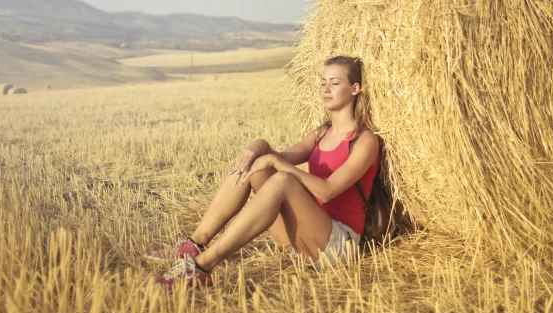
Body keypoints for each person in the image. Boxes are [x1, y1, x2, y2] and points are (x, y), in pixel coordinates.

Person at [146, 55, 381, 292]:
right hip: (305, 236)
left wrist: (276, 162)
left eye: (335, 83)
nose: (326, 89)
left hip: (339, 244)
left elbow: (327, 191)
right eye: (322, 83)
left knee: (282, 180)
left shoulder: (364, 140)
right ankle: (195, 243)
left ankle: (201, 268)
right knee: (255, 168)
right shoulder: (321, 133)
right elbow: (276, 157)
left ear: (355, 88)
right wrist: (259, 146)